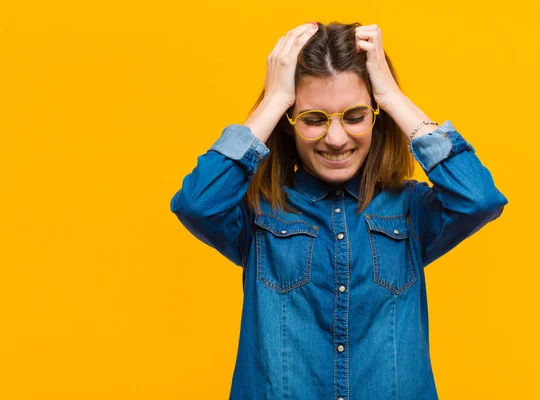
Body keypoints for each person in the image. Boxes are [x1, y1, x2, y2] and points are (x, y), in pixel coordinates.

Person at [170, 21, 508, 400]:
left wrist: (392, 96)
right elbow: (197, 203)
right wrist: (274, 100)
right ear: (289, 124)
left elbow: (480, 198)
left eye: (355, 115)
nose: (335, 138)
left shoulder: (410, 210)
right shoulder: (259, 214)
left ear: (377, 117)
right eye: (313, 119)